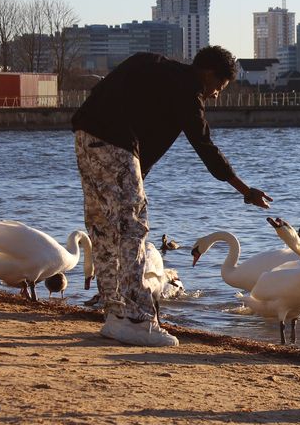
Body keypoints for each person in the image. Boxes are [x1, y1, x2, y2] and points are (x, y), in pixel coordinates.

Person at [72, 46, 271, 346]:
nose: (216, 95)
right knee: (131, 230)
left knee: (103, 229)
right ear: (208, 74)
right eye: (219, 86)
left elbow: (113, 96)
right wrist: (246, 190)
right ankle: (138, 320)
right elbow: (205, 146)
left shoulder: (149, 62)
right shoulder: (188, 91)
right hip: (115, 144)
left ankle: (115, 315)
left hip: (85, 137)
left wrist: (135, 172)